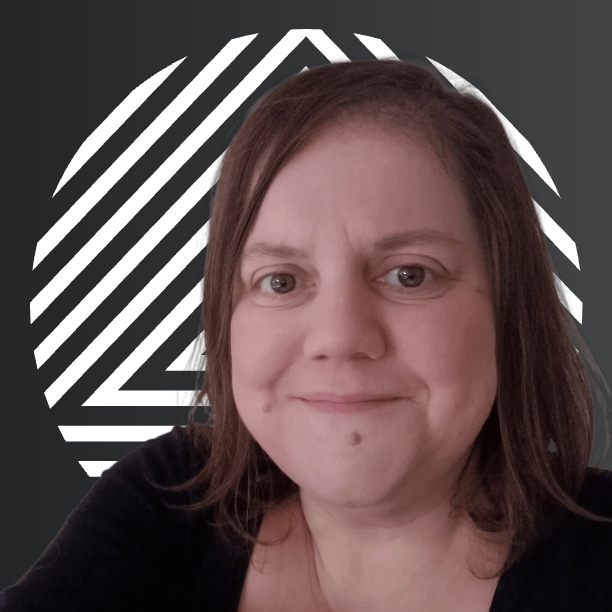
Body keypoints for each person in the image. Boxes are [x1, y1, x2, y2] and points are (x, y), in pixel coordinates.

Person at [2, 60, 611, 611]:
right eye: (281, 281)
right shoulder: (169, 500)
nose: (339, 337)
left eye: (409, 274)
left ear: (509, 308)